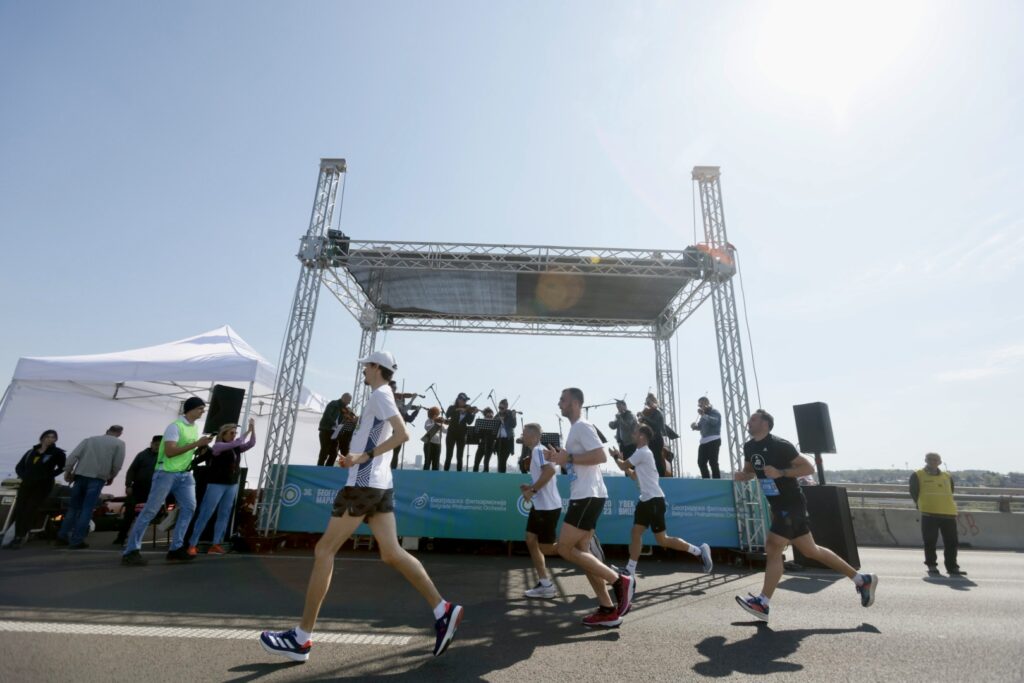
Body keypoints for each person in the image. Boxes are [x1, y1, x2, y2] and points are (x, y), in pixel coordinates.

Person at [259, 351, 463, 662]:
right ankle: (443, 609)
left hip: (365, 483)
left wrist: (362, 458)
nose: (363, 371)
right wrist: (356, 457)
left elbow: (402, 434)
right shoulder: (382, 395)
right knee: (392, 552)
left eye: (366, 366)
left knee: (324, 551)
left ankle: (301, 639)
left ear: (377, 368)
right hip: (377, 482)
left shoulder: (381, 394)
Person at [734, 409, 877, 622]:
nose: (748, 422)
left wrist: (781, 472)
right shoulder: (749, 446)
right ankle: (861, 579)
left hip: (792, 503)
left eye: (753, 419)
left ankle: (763, 603)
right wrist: (743, 476)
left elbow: (808, 467)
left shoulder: (780, 445)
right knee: (811, 551)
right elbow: (750, 471)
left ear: (765, 423)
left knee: (773, 546)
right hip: (777, 503)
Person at [544, 387, 634, 628]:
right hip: (586, 495)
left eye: (562, 399)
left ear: (574, 402)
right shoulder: (575, 430)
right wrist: (560, 459)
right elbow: (577, 462)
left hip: (587, 496)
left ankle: (618, 581)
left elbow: (601, 457)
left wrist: (569, 459)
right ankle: (607, 609)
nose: (559, 403)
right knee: (584, 553)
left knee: (564, 548)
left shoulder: (582, 426)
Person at [121, 396, 211, 566]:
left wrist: (200, 449)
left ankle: (176, 548)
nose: (202, 411)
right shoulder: (174, 427)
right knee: (151, 510)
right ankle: (131, 550)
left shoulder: (193, 427)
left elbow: (185, 451)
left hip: (184, 474)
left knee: (189, 508)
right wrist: (196, 445)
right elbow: (170, 451)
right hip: (166, 473)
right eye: (200, 408)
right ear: (191, 409)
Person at [612, 424, 713, 575]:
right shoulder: (641, 453)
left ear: (642, 436)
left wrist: (615, 457)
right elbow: (633, 475)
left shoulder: (643, 452)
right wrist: (621, 461)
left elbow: (623, 466)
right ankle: (630, 570)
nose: (632, 434)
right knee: (636, 533)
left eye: (635, 431)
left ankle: (699, 551)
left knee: (662, 540)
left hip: (654, 501)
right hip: (646, 500)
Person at [187, 419, 256, 556]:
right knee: (206, 512)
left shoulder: (235, 447)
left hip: (231, 484)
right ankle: (192, 544)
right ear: (223, 434)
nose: (234, 435)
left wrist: (253, 429)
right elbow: (238, 442)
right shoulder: (218, 446)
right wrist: (247, 430)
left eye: (235, 433)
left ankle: (216, 543)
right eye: (231, 433)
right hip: (216, 484)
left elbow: (251, 443)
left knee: (224, 514)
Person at [57, 425, 126, 549]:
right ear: (120, 433)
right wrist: (111, 476)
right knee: (87, 509)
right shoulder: (119, 444)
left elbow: (73, 455)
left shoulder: (89, 439)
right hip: (97, 477)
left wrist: (68, 470)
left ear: (107, 431)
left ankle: (62, 536)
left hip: (80, 476)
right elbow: (117, 464)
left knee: (73, 508)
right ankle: (77, 540)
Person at [519, 423, 561, 598]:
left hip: (548, 507)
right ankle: (545, 584)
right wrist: (532, 487)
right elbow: (546, 476)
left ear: (534, 436)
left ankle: (581, 548)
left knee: (546, 548)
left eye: (524, 433)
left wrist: (532, 490)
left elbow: (550, 471)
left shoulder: (538, 450)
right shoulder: (537, 451)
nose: (522, 436)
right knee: (530, 539)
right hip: (541, 505)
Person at [6, 430, 66, 549]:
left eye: (53, 437)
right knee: (20, 509)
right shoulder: (31, 451)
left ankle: (20, 537)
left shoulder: (57, 453)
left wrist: (50, 475)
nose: (50, 439)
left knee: (30, 509)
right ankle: (17, 536)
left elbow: (63, 467)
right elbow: (19, 466)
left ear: (55, 440)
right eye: (47, 436)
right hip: (27, 484)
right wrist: (24, 475)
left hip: (43, 485)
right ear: (42, 438)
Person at [910, 452, 965, 577]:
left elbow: (951, 491)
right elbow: (914, 492)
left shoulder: (946, 476)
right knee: (930, 541)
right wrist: (921, 505)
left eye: (935, 459)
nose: (933, 461)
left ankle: (952, 567)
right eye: (930, 459)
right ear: (925, 460)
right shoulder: (918, 475)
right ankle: (932, 566)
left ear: (940, 462)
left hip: (948, 513)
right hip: (929, 514)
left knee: (952, 542)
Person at [113, 435, 161, 546]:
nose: (158, 447)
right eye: (156, 444)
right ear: (151, 443)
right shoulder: (142, 455)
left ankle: (136, 540)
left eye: (160, 445)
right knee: (129, 515)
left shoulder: (165, 457)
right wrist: (128, 485)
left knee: (146, 516)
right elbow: (131, 471)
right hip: (137, 489)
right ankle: (121, 537)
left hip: (153, 491)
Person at [318, 393, 354, 467]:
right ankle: (319, 468)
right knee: (324, 451)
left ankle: (328, 469)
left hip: (335, 433)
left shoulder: (345, 409)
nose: (349, 403)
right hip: (326, 430)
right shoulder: (334, 404)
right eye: (349, 400)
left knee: (334, 454)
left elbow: (352, 417)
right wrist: (335, 423)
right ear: (344, 398)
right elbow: (327, 415)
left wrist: (352, 415)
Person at [690, 397, 722, 479]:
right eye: (699, 405)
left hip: (714, 439)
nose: (700, 406)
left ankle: (716, 480)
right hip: (704, 441)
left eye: (701, 404)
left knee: (713, 462)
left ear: (707, 403)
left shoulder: (714, 412)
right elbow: (700, 426)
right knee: (701, 462)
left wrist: (704, 415)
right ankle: (706, 479)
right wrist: (694, 426)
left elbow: (714, 421)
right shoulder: (703, 415)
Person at [444, 393, 476, 471]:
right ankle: (445, 473)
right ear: (459, 400)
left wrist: (473, 413)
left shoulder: (467, 410)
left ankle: (459, 474)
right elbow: (447, 415)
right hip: (451, 433)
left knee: (460, 456)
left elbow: (469, 422)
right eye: (464, 400)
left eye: (466, 401)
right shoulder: (452, 407)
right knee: (449, 455)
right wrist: (458, 409)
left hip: (462, 435)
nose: (465, 402)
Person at [638, 393, 668, 477]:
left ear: (654, 401)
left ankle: (661, 477)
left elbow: (656, 425)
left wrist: (644, 418)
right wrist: (641, 421)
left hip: (657, 438)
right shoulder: (650, 413)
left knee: (657, 459)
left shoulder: (658, 411)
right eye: (646, 402)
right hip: (650, 439)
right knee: (651, 460)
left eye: (649, 402)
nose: (647, 404)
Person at [495, 399, 518, 474]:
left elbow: (513, 425)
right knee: (499, 459)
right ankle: (500, 475)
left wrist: (513, 416)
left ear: (506, 407)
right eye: (499, 408)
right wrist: (499, 419)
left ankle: (502, 475)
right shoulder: (497, 415)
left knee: (503, 459)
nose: (500, 410)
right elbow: (493, 422)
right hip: (499, 440)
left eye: (502, 408)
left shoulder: (510, 414)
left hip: (508, 440)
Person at [473, 407, 497, 472]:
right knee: (476, 462)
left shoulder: (495, 424)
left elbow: (496, 436)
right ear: (484, 417)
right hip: (481, 444)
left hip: (490, 445)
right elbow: (476, 434)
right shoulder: (481, 424)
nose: (489, 418)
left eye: (491, 416)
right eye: (487, 416)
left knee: (486, 463)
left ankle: (485, 477)